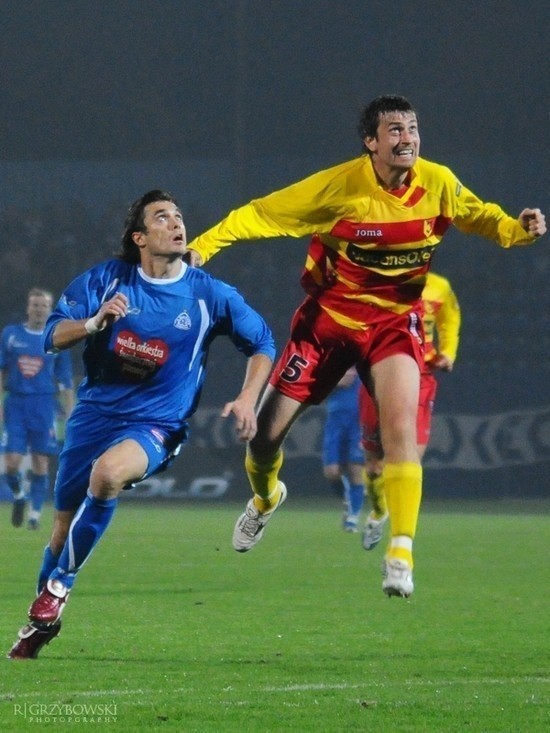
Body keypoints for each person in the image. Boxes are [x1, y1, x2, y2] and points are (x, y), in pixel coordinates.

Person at [187, 94, 546, 599]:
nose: (408, 138)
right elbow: (260, 213)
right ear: (371, 142)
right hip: (328, 324)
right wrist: (205, 244)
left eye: (413, 128)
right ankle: (266, 500)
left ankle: (400, 554)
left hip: (394, 325)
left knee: (400, 435)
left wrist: (518, 231)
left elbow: (480, 217)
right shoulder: (340, 186)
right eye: (395, 130)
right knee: (264, 440)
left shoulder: (438, 182)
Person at [7, 190, 275, 659]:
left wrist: (249, 397)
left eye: (178, 215)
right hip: (93, 415)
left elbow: (263, 343)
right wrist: (93, 323)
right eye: (162, 217)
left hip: (157, 423)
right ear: (139, 237)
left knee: (107, 475)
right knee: (61, 529)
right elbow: (51, 336)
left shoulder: (208, 292)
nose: (176, 223)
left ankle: (59, 588)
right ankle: (39, 622)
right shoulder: (107, 280)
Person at [360, 270, 461, 551]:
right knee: (374, 464)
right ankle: (379, 511)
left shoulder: (440, 287)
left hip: (422, 375)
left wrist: (448, 352)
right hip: (377, 374)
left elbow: (450, 318)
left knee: (409, 458)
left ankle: (400, 545)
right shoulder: (377, 281)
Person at [0, 288, 74, 530]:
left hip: (43, 406)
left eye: (44, 305)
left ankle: (34, 515)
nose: (39, 309)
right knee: (11, 463)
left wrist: (70, 411)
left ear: (50, 309)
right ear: (28, 308)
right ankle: (20, 495)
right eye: (35, 305)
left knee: (40, 462)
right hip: (16, 404)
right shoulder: (11, 335)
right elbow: (2, 372)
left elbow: (65, 380)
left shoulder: (57, 338)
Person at [321, 366, 365, 532]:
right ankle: (348, 499)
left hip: (358, 421)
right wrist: (334, 381)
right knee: (331, 472)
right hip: (335, 421)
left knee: (355, 469)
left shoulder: (365, 359)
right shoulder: (331, 359)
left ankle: (352, 518)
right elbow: (316, 389)